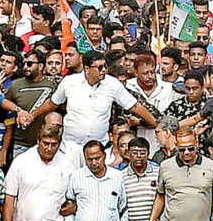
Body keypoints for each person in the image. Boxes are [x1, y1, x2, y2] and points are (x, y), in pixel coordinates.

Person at [20, 51, 157, 151]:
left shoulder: (112, 84)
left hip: (99, 146)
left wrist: (155, 123)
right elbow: (52, 103)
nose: (104, 70)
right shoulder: (69, 82)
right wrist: (32, 115)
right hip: (71, 146)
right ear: (87, 69)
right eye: (99, 67)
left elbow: (135, 106)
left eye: (105, 66)